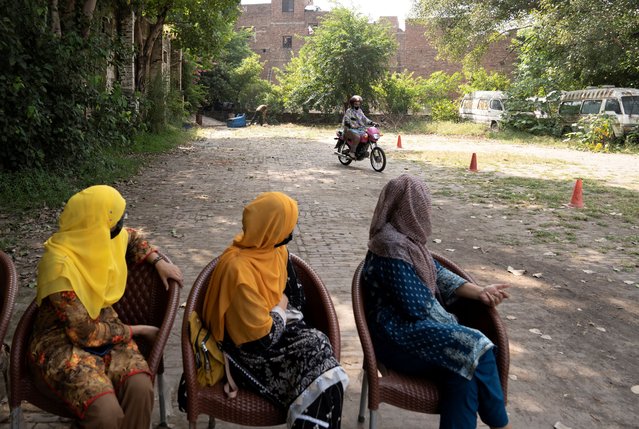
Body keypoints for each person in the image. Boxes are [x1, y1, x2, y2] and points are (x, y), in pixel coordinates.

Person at [362, 174, 512, 429]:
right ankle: (501, 424)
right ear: (409, 209)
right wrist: (456, 327)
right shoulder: (391, 247)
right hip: (395, 337)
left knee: (463, 370)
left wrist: (480, 292)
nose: (427, 214)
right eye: (423, 207)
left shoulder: (407, 242)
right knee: (477, 346)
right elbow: (417, 307)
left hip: (415, 332)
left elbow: (438, 274)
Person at [29, 185, 184, 429]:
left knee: (140, 388)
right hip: (62, 342)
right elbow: (84, 333)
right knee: (106, 413)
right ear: (100, 222)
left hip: (107, 330)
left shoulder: (103, 238)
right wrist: (140, 330)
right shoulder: (58, 265)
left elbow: (132, 236)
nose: (121, 223)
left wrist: (156, 260)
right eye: (116, 218)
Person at [202, 191, 348, 429]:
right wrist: (280, 307)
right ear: (271, 227)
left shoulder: (276, 251)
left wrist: (276, 311)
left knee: (322, 358)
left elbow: (297, 298)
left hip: (274, 334)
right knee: (319, 357)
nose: (291, 231)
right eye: (287, 224)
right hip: (247, 353)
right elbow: (260, 340)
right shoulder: (238, 270)